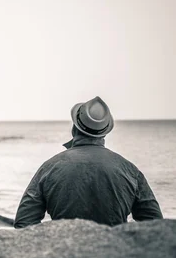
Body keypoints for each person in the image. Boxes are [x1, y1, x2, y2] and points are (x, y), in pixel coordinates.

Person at [14, 96, 163, 228]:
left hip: (64, 252)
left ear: (74, 128)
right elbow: (155, 224)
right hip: (114, 253)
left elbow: (24, 221)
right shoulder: (129, 170)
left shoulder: (49, 167)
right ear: (105, 132)